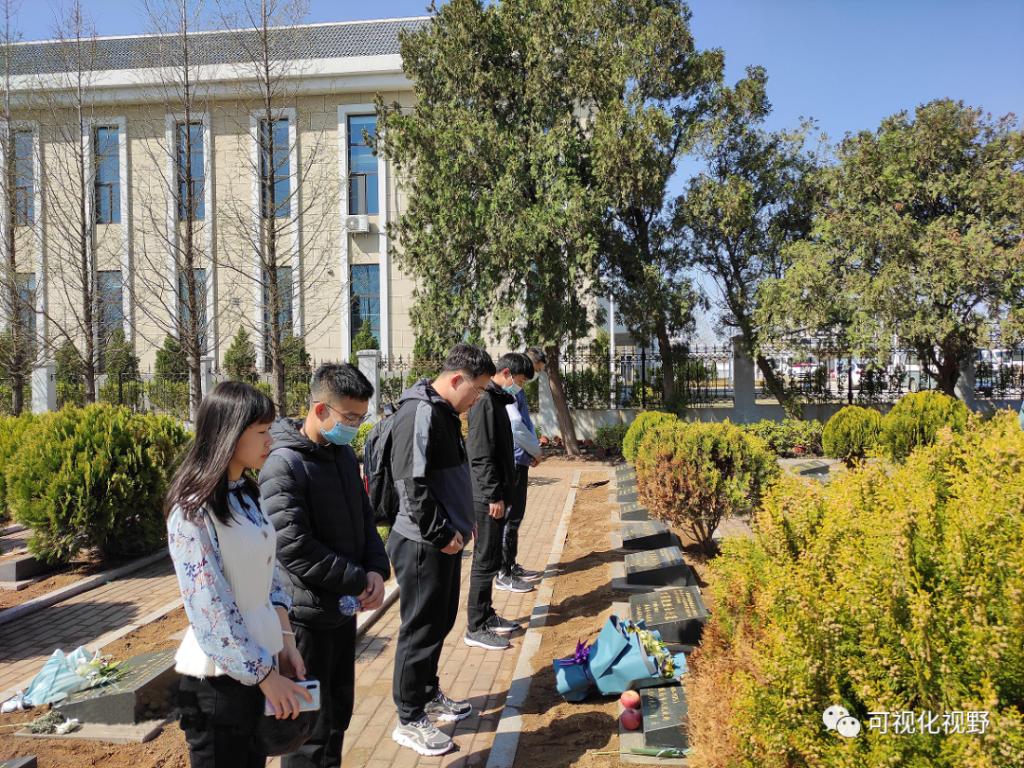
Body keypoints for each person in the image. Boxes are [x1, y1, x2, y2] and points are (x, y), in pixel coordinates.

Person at [166, 381, 313, 768]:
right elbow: (211, 608)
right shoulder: (192, 512)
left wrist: (286, 644)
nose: (270, 441)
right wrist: (266, 675)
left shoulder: (247, 494)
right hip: (219, 682)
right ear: (228, 433)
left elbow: (271, 576)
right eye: (262, 431)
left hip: (260, 666)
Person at [259, 363, 390, 768]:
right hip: (305, 620)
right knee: (307, 731)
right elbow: (294, 547)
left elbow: (364, 519)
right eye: (349, 417)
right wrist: (356, 579)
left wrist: (375, 569)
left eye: (361, 417)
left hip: (341, 613)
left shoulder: (342, 455)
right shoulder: (283, 465)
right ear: (320, 410)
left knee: (337, 716)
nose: (355, 426)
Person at [388, 343, 496, 756]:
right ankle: (409, 717)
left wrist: (461, 524)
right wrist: (439, 532)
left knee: (440, 621)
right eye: (477, 389)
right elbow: (411, 482)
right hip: (422, 543)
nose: (477, 399)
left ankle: (428, 693)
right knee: (420, 628)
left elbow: (448, 476)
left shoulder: (444, 413)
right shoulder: (419, 412)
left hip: (446, 540)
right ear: (456, 379)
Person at [464, 353, 535, 651]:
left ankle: (486, 614)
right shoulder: (483, 402)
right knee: (484, 559)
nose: (519, 387)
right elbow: (480, 454)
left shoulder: (497, 400)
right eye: (519, 381)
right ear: (505, 373)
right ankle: (476, 626)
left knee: (492, 557)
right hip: (485, 497)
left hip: (496, 493)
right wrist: (493, 494)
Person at [497, 347, 547, 589]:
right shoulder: (508, 390)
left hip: (521, 459)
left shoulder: (517, 389)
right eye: (534, 371)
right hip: (514, 460)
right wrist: (535, 451)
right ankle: (503, 572)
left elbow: (526, 422)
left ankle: (511, 564)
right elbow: (516, 426)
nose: (533, 377)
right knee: (511, 517)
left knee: (516, 516)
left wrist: (533, 449)